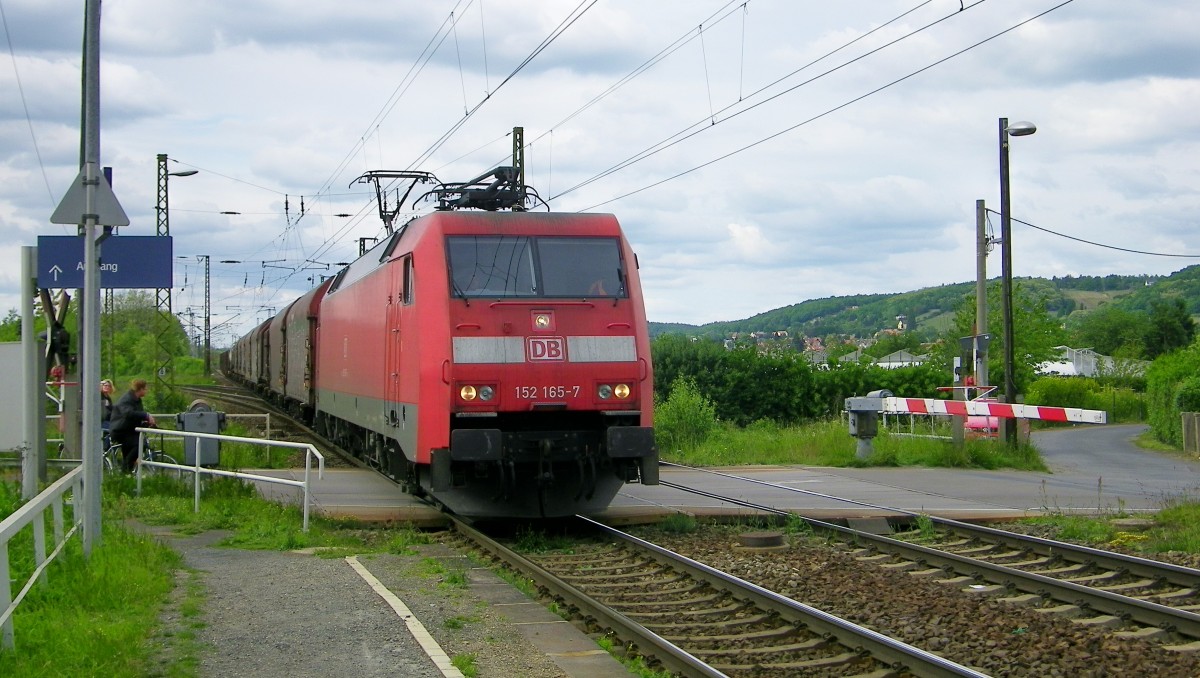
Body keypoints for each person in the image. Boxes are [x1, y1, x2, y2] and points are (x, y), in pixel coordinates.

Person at [109, 378, 157, 472]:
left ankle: (126, 473)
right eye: (145, 389)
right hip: (120, 430)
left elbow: (137, 415)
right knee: (139, 445)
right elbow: (128, 414)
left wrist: (146, 423)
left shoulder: (137, 400)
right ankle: (125, 467)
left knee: (130, 450)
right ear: (140, 389)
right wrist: (146, 415)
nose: (147, 391)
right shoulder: (127, 399)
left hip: (129, 430)